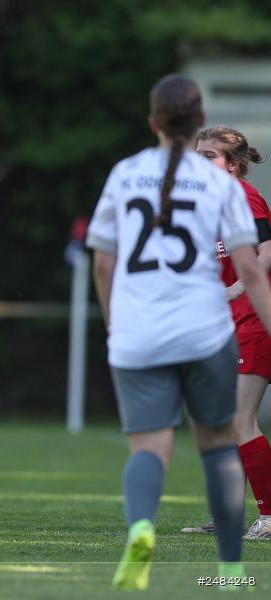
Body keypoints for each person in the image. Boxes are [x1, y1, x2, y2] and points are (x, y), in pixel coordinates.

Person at [87, 75, 271, 590]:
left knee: (152, 445)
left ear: (153, 122)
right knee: (218, 442)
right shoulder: (217, 188)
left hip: (145, 329)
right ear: (196, 122)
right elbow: (251, 267)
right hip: (207, 329)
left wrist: (114, 325)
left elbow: (103, 262)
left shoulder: (127, 173)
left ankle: (144, 528)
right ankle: (231, 570)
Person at [177, 127, 271, 541]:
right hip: (227, 324)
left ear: (232, 165)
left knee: (239, 419)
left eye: (209, 156)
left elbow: (268, 250)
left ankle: (270, 516)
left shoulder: (243, 196)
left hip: (255, 319)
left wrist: (236, 288)